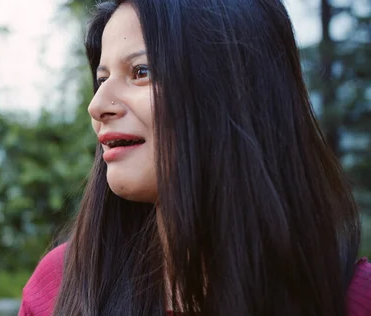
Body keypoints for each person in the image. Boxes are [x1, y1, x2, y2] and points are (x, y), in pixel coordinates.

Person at [18, 0, 371, 315]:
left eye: (141, 72)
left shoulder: (355, 298)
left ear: (231, 90)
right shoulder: (59, 289)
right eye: (103, 79)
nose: (96, 106)